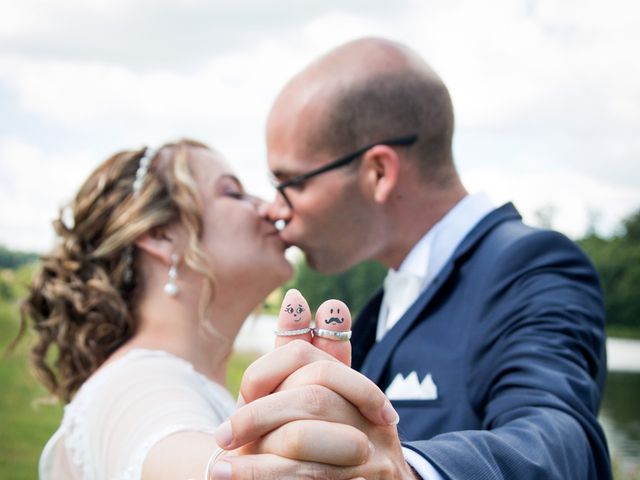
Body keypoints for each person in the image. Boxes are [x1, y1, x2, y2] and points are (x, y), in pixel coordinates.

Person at [212, 37, 611, 479]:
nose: (276, 208)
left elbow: (563, 440)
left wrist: (408, 472)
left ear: (378, 173)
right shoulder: (380, 307)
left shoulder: (532, 266)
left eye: (293, 182)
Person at [18, 139, 299, 479]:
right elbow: (167, 447)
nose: (273, 209)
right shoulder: (135, 385)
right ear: (162, 235)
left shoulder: (161, 378)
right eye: (233, 193)